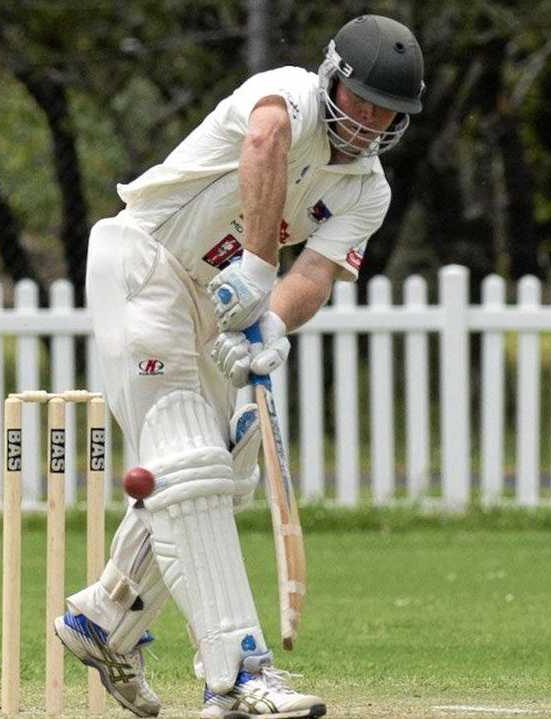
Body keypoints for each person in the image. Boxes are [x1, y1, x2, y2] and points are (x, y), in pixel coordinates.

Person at [52, 15, 424, 719]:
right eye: (363, 98)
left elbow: (314, 272)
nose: (371, 120)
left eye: (389, 111)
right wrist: (256, 268)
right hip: (147, 263)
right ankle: (237, 672)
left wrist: (274, 321)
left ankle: (104, 619)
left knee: (228, 469)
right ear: (332, 77)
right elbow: (264, 143)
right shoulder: (286, 94)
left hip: (217, 302)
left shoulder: (368, 190)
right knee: (187, 461)